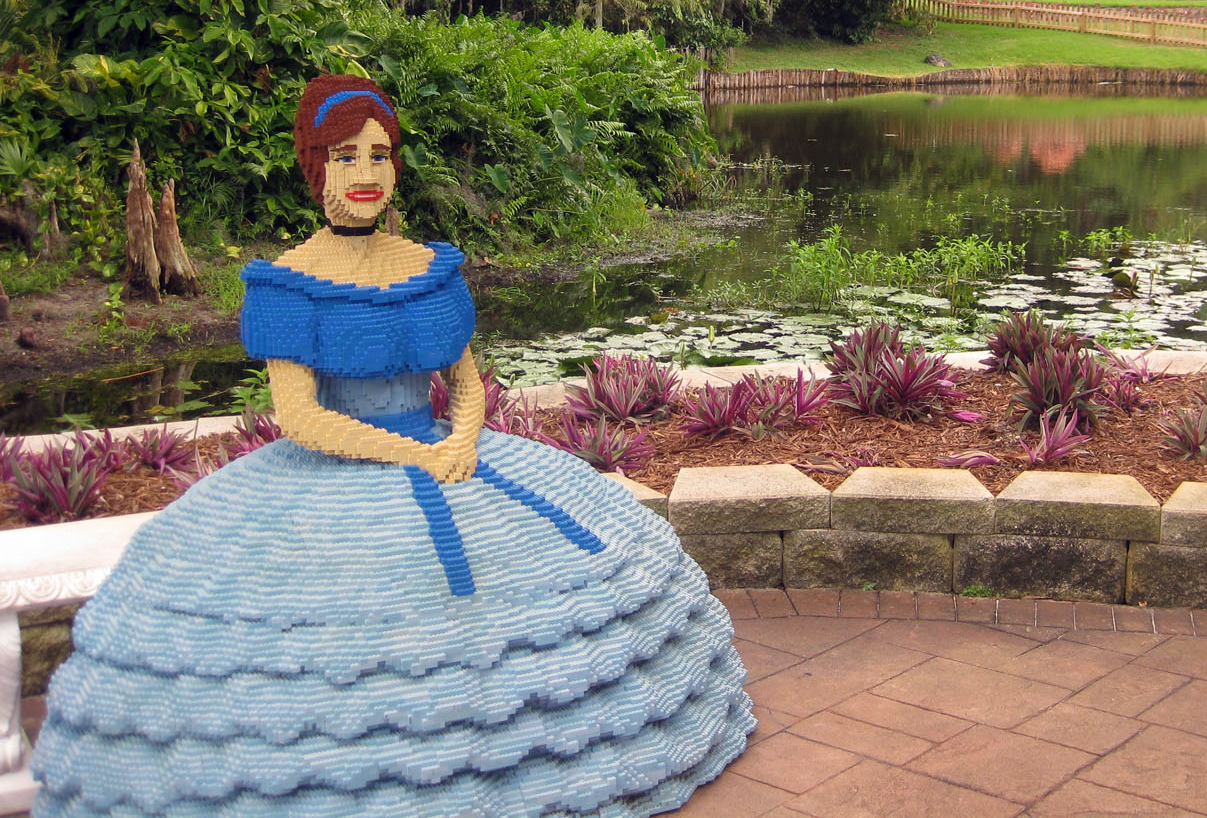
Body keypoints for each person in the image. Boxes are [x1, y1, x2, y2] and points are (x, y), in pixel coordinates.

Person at [31, 75, 753, 817]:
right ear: (315, 167)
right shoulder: (287, 283)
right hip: (335, 467)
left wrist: (461, 439)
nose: (367, 173)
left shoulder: (427, 267)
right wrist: (419, 457)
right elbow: (299, 418)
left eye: (380, 155)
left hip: (444, 450)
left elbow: (466, 384)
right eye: (346, 157)